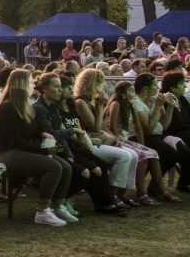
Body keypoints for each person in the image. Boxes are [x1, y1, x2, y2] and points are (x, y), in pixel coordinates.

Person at [0, 69, 75, 226]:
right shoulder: (7, 107)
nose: (33, 85)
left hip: (21, 150)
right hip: (6, 153)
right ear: (21, 85)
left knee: (66, 166)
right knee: (53, 166)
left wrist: (42, 134)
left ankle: (58, 206)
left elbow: (31, 132)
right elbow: (16, 141)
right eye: (30, 82)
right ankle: (42, 211)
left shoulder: (26, 107)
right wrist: (44, 151)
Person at [34, 73, 124, 216]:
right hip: (53, 149)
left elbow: (63, 132)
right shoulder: (40, 108)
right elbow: (51, 133)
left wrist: (71, 150)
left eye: (60, 87)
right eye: (58, 87)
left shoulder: (56, 106)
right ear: (44, 89)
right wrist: (74, 133)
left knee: (99, 166)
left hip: (70, 147)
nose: (62, 90)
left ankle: (105, 203)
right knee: (87, 171)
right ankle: (60, 201)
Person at [73, 68, 139, 208]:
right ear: (91, 83)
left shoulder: (93, 101)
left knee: (133, 155)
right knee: (124, 156)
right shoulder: (81, 102)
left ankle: (122, 193)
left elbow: (102, 126)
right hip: (88, 142)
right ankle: (112, 195)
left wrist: (114, 137)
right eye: (101, 82)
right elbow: (95, 128)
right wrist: (102, 106)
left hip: (99, 139)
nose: (104, 86)